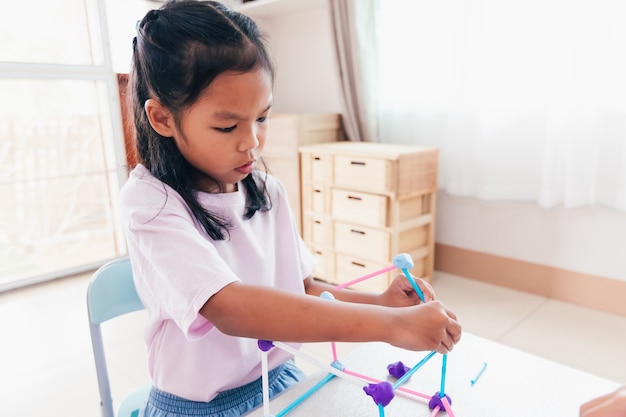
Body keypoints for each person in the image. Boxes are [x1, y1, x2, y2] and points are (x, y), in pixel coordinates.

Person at [119, 1, 462, 416]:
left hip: (281, 379)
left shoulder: (267, 191)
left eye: (262, 117)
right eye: (227, 126)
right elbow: (231, 308)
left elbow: (300, 292)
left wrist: (382, 303)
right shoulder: (151, 205)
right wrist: (389, 327)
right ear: (162, 118)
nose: (252, 142)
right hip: (198, 407)